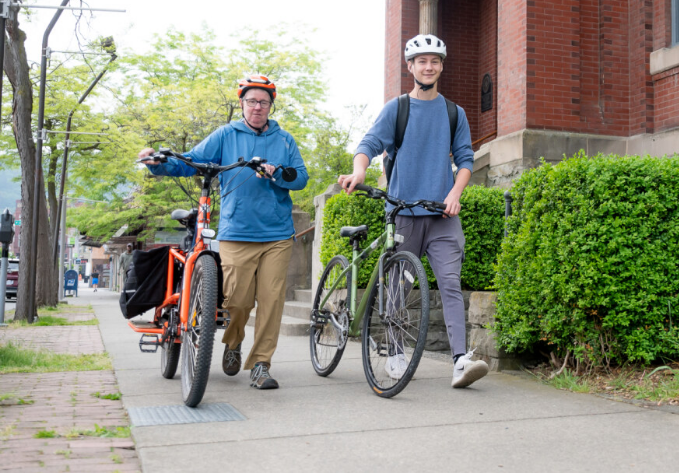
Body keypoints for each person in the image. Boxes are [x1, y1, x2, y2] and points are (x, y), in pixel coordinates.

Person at [139, 75, 309, 390]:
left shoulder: (284, 140)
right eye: (251, 101)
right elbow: (192, 162)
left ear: (271, 105)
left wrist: (278, 173)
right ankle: (233, 343)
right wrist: (157, 164)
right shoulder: (226, 135)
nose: (257, 107)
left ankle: (261, 365)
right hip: (237, 233)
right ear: (242, 103)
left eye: (263, 102)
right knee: (238, 302)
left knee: (272, 301)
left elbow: (301, 177)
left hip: (277, 234)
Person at [339, 34, 489, 389]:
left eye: (435, 61)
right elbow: (369, 144)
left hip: (442, 217)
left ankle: (459, 361)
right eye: (421, 61)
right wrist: (359, 169)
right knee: (398, 287)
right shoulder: (398, 109)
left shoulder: (455, 113)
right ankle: (394, 351)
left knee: (450, 284)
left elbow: (466, 159)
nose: (428, 66)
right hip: (403, 213)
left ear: (441, 67)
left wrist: (455, 193)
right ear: (410, 67)